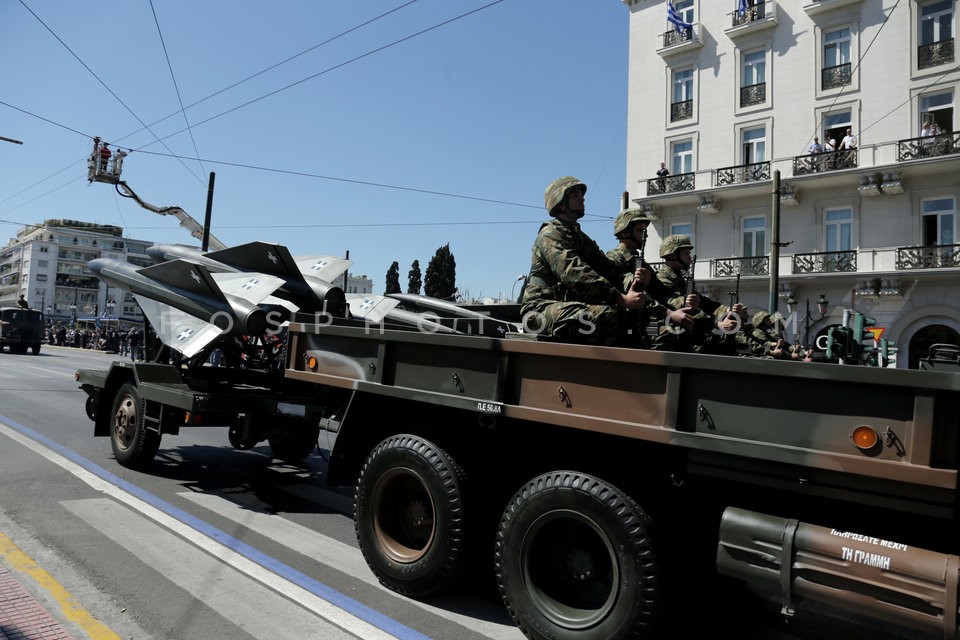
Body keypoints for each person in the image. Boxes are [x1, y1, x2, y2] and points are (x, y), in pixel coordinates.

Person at [520, 176, 646, 346]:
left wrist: (633, 280)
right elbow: (574, 272)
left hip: (564, 305)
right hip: (539, 310)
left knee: (628, 317)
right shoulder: (550, 234)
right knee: (607, 316)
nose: (583, 198)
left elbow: (608, 268)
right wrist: (620, 298)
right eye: (575, 194)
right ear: (560, 202)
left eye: (581, 194)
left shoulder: (579, 237)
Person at [606, 208, 694, 345]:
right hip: (622, 327)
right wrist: (669, 313)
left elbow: (662, 293)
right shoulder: (614, 259)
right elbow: (636, 294)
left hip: (640, 325)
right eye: (641, 231)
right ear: (624, 232)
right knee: (669, 337)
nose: (645, 236)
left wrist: (683, 303)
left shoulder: (640, 263)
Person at [653, 235, 745, 354]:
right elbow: (679, 304)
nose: (690, 258)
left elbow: (705, 303)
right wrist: (718, 324)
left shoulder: (680, 279)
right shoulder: (662, 278)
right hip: (669, 339)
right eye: (686, 253)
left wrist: (726, 310)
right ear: (672, 255)